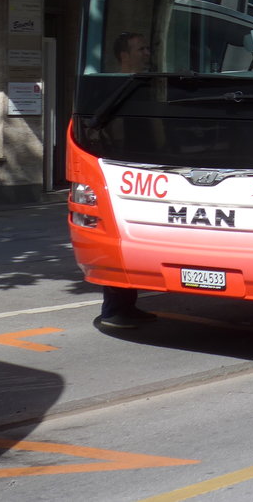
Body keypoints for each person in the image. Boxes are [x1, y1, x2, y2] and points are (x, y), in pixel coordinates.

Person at [97, 31, 158, 329]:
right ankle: (114, 308)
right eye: (141, 48)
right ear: (124, 55)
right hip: (125, 169)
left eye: (147, 48)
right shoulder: (118, 85)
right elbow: (116, 131)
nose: (147, 53)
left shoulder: (140, 84)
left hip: (141, 168)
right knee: (121, 236)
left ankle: (125, 305)